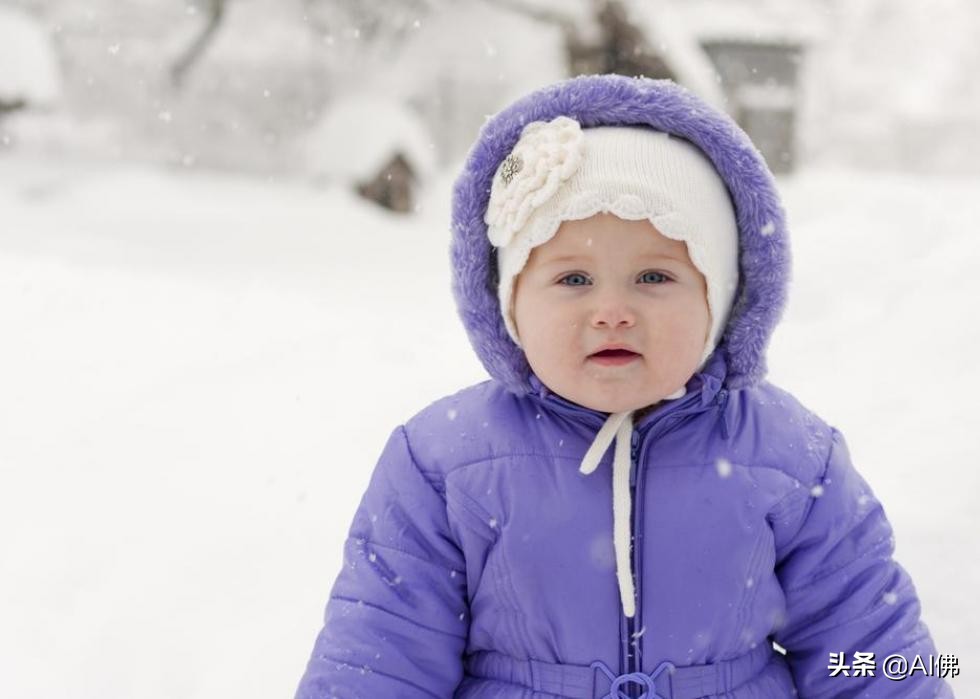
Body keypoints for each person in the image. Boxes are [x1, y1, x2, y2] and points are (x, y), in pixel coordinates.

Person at [294, 74, 953, 698]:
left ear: (720, 302)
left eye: (655, 278)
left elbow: (868, 643)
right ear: (510, 304)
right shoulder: (443, 461)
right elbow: (378, 657)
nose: (611, 310)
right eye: (573, 279)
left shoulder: (793, 457)